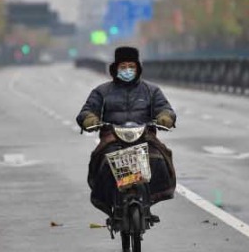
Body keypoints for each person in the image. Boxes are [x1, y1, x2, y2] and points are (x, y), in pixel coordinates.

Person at [76, 46, 177, 219]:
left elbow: (165, 109)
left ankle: (149, 199)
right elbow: (87, 111)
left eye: (131, 66)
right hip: (112, 138)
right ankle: (109, 203)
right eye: (123, 67)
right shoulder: (102, 91)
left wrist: (165, 118)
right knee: (101, 165)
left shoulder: (151, 91)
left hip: (145, 137)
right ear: (115, 68)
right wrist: (90, 120)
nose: (127, 70)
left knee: (160, 160)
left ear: (138, 68)